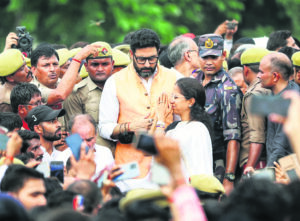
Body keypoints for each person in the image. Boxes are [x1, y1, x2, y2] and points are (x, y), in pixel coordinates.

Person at [99, 28, 181, 183]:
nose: (147, 64)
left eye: (152, 59)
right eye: (141, 59)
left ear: (158, 52)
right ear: (131, 55)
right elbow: (104, 127)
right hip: (129, 168)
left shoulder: (174, 77)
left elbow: (182, 122)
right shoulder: (115, 81)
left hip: (165, 165)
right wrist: (129, 127)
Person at [195, 34, 243, 194]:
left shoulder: (227, 90)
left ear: (223, 56)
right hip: (196, 158)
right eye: (204, 57)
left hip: (217, 161)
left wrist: (228, 178)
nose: (209, 62)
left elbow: (233, 137)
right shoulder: (195, 80)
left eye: (214, 57)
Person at [155, 78, 214, 179]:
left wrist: (161, 119)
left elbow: (201, 167)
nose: (171, 101)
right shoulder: (175, 127)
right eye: (171, 96)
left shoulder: (198, 129)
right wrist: (160, 118)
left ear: (190, 101)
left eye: (176, 97)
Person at [63, 42, 115, 151]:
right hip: (92, 156)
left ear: (113, 64)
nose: (100, 69)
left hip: (123, 155)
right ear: (86, 66)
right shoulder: (76, 93)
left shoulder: (122, 88)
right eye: (95, 65)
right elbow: (74, 135)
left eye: (105, 64)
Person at [258, 52, 299, 166]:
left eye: (261, 72)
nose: (258, 76)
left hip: (288, 169)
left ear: (275, 76)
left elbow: (281, 145)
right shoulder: (276, 94)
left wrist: (269, 172)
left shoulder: (289, 100)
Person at [30, 44, 100, 109]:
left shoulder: (62, 83)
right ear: (34, 70)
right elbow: (59, 95)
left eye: (55, 64)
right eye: (46, 65)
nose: (52, 69)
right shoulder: (32, 90)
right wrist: (77, 59)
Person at [239, 47, 271, 174]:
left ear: (245, 70)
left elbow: (257, 135)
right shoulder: (272, 87)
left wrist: (249, 166)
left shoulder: (254, 94)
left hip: (256, 162)